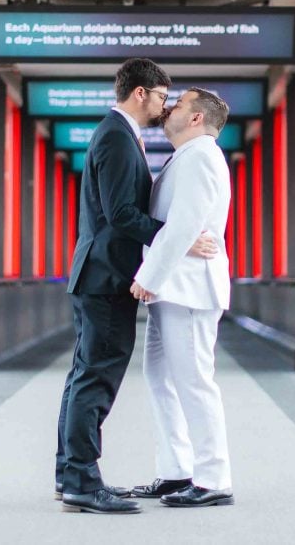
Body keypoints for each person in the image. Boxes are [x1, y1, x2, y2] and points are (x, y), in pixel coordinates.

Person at [56, 60, 217, 515]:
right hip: (106, 277)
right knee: (96, 380)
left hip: (99, 274)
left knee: (83, 377)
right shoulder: (117, 137)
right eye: (163, 98)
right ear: (142, 93)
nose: (165, 108)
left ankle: (70, 475)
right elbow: (121, 215)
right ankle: (83, 483)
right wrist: (179, 239)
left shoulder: (117, 134)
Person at [129, 88, 235, 508]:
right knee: (160, 378)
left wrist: (148, 276)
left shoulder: (202, 155)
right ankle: (176, 471)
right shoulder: (186, 156)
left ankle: (213, 479)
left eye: (179, 103)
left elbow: (186, 222)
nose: (169, 107)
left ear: (196, 119)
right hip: (175, 288)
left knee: (193, 382)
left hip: (188, 288)